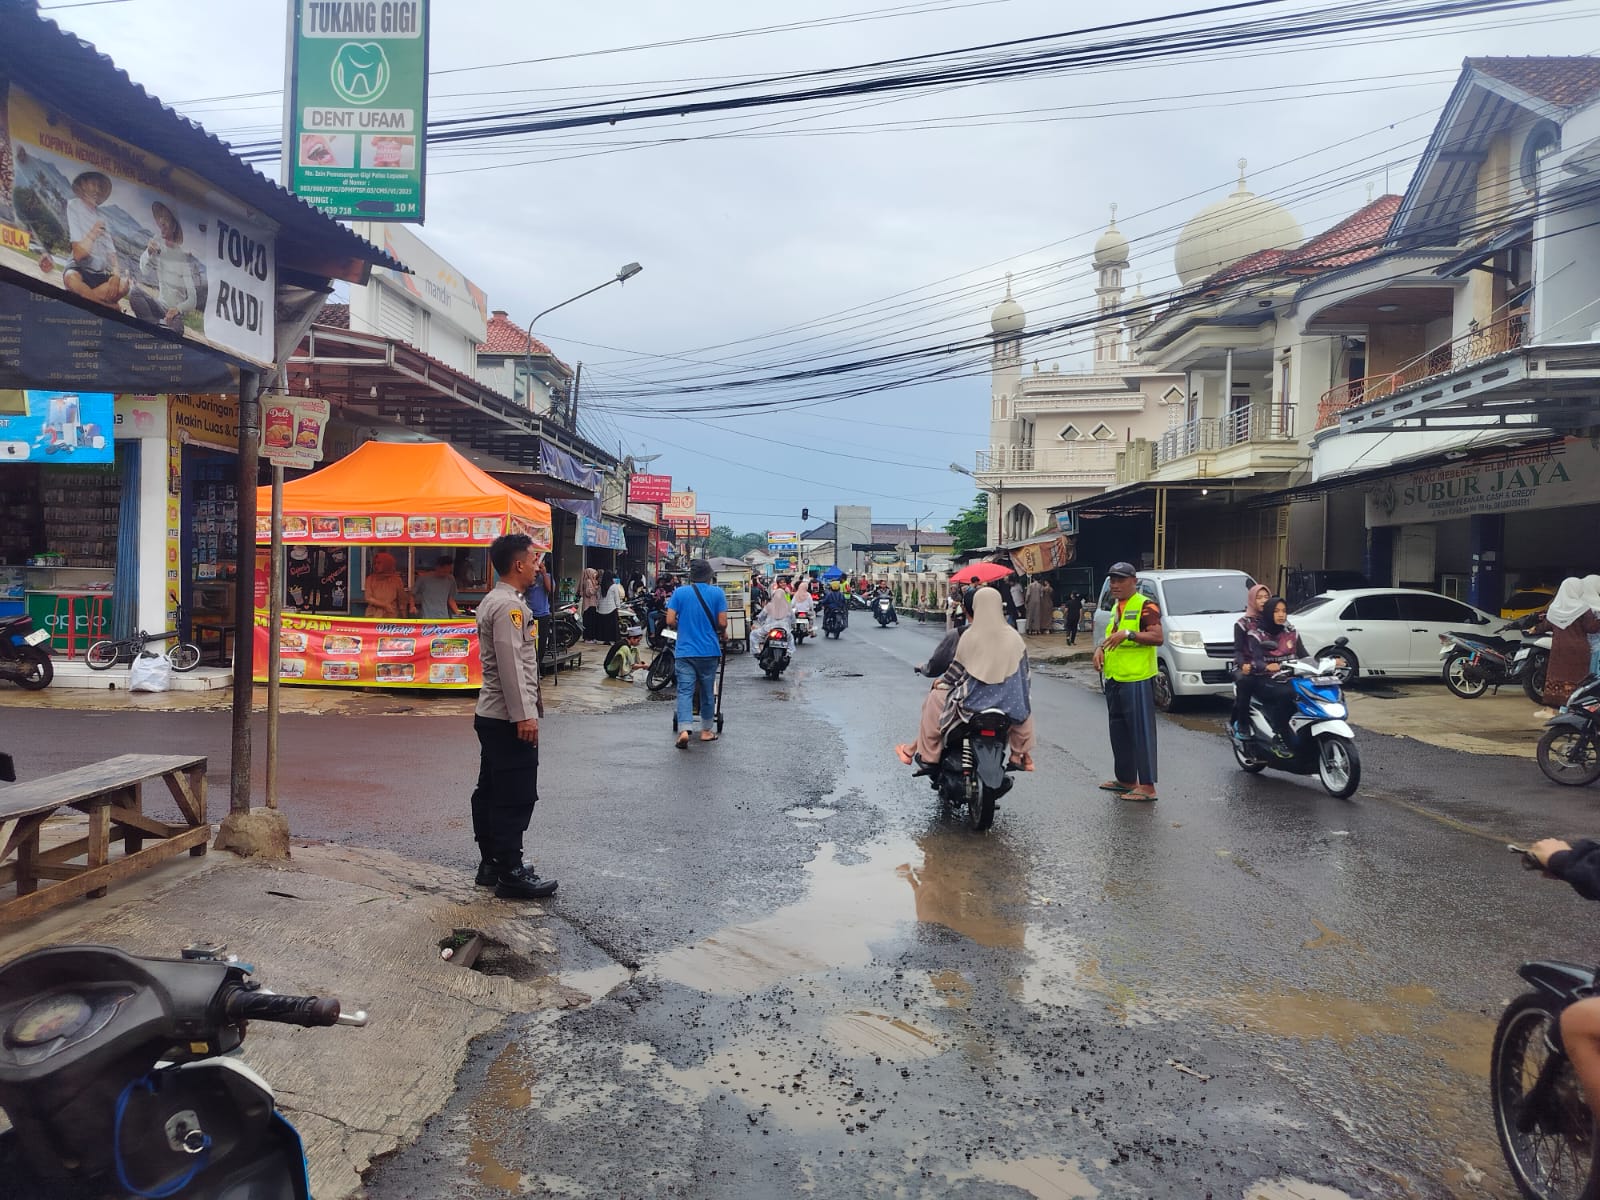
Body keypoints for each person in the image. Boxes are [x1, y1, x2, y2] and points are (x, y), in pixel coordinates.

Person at [471, 533, 557, 899]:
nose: (539, 567)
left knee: (491, 790)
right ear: (518, 564)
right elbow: (510, 666)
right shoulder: (509, 607)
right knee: (515, 794)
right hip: (507, 718)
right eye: (534, 559)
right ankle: (510, 871)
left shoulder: (503, 601)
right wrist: (524, 717)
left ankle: (493, 862)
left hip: (495, 715)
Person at [896, 587, 1035, 772]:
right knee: (1024, 709)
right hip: (1009, 706)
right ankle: (1019, 755)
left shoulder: (969, 636)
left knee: (935, 700)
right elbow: (1025, 676)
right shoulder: (1015, 637)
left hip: (974, 704)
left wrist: (942, 682)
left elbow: (954, 673)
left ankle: (929, 756)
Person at [1093, 561, 1163, 801]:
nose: (1115, 585)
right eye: (1112, 580)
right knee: (1119, 730)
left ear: (1134, 581)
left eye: (1121, 580)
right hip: (1115, 676)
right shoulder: (1116, 607)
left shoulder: (1145, 606)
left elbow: (1157, 636)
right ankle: (1125, 779)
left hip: (1137, 678)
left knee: (1141, 733)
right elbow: (1113, 635)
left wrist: (1129, 634)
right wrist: (1100, 649)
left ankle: (1147, 786)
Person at [667, 560, 728, 748]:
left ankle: (684, 730)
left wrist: (683, 626)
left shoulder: (680, 593)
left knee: (685, 691)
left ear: (691, 577)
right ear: (709, 576)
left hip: (685, 651)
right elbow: (723, 623)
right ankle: (706, 731)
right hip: (709, 651)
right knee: (707, 691)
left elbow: (669, 620)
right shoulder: (717, 593)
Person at [1251, 596, 1310, 756]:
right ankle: (1279, 735)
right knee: (1285, 693)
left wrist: (1324, 664)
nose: (1281, 614)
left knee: (1312, 691)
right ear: (1269, 612)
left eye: (1284, 611)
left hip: (1290, 677)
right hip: (1264, 678)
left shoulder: (1291, 632)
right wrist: (1267, 666)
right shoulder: (1257, 635)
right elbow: (1255, 660)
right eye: (1276, 611)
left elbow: (1304, 655)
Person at [128, 202, 199, 332]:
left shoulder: (183, 259)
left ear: (174, 226)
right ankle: (155, 325)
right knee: (134, 293)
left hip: (174, 313)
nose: (162, 222)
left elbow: (192, 300)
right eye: (161, 218)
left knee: (178, 329)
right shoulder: (158, 246)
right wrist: (148, 252)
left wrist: (178, 309)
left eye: (166, 218)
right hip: (159, 306)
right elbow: (144, 270)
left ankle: (154, 326)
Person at [62, 171, 129, 308]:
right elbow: (79, 254)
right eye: (93, 184)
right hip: (79, 268)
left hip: (99, 273)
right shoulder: (74, 206)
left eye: (100, 187)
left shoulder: (103, 217)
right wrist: (93, 233)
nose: (97, 190)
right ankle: (109, 307)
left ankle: (84, 298)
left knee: (123, 286)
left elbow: (112, 252)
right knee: (71, 278)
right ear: (83, 185)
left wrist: (116, 275)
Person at [1532, 576, 1600, 708]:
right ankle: (1576, 708)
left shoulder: (1555, 608)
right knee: (1578, 681)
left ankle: (1561, 709)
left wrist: (1534, 629)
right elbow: (1591, 628)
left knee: (1559, 679)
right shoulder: (1583, 608)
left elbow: (1546, 625)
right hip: (1579, 650)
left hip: (1559, 650)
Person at [1229, 583, 1272, 740]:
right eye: (1259, 598)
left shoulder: (1275, 621)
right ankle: (1242, 724)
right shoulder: (1242, 623)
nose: (1263, 601)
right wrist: (1243, 665)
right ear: (1252, 600)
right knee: (1245, 682)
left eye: (1266, 597)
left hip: (1270, 665)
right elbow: (1238, 651)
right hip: (1246, 666)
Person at [362, 552, 414, 619]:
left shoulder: (396, 580)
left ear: (387, 564)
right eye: (374, 563)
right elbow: (368, 598)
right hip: (373, 616)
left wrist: (405, 620)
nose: (376, 566)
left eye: (379, 563)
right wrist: (385, 605)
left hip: (391, 616)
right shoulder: (370, 579)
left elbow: (402, 601)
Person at [522, 552, 554, 661]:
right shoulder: (528, 576)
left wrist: (544, 573)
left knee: (541, 644)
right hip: (529, 615)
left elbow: (551, 589)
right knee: (528, 642)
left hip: (543, 615)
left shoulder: (547, 576)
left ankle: (538, 666)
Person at [413, 555, 461, 620]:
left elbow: (451, 600)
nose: (446, 574)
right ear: (437, 567)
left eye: (449, 571)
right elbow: (412, 594)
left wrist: (458, 614)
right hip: (427, 618)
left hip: (443, 618)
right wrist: (412, 606)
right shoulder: (424, 578)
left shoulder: (450, 579)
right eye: (444, 571)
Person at [595, 571, 625, 644]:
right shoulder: (614, 586)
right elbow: (616, 598)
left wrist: (598, 607)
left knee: (603, 626)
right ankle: (612, 640)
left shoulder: (600, 586)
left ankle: (604, 639)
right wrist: (618, 606)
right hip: (611, 608)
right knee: (612, 626)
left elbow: (598, 598)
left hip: (601, 609)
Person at [579, 567, 601, 642]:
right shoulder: (588, 581)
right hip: (589, 605)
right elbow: (588, 593)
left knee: (592, 622)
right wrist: (596, 588)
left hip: (592, 604)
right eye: (593, 573)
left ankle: (591, 637)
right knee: (589, 623)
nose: (595, 575)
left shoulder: (592, 581)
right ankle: (588, 638)